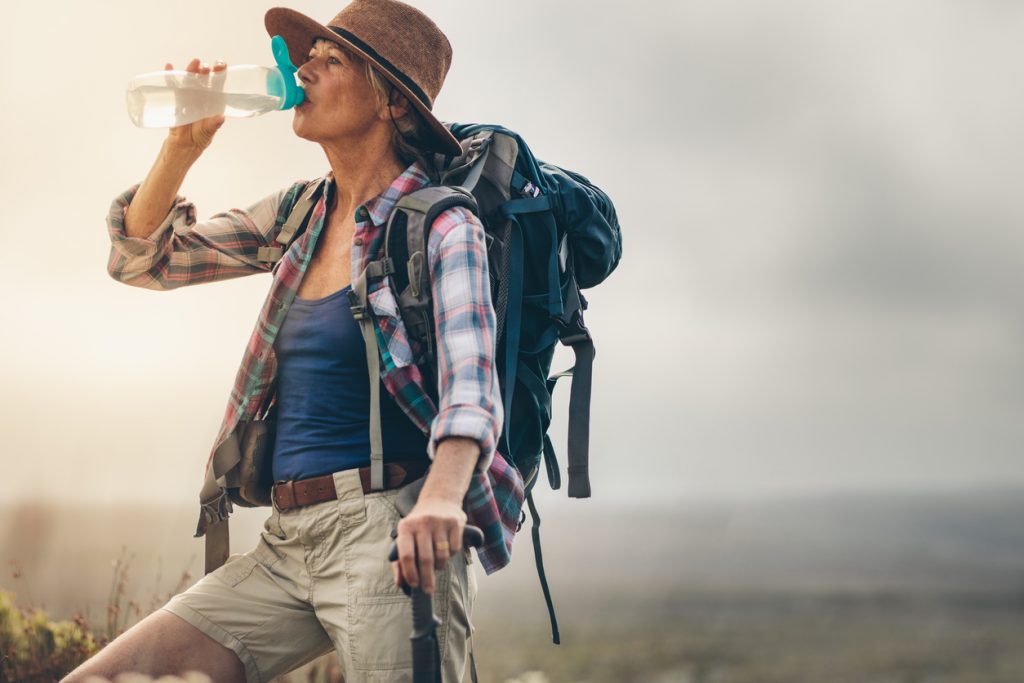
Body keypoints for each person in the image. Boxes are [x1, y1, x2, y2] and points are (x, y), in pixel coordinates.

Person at [64, 1, 524, 681]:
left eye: (330, 60)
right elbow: (144, 260)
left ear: (393, 103)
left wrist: (441, 499)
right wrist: (182, 148)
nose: (301, 68)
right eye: (308, 55)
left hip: (388, 537)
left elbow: (472, 388)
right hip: (286, 543)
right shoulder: (301, 212)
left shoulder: (442, 227)